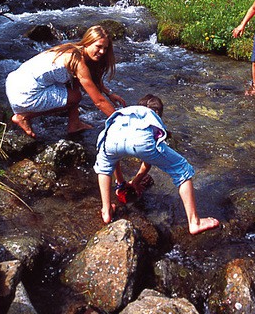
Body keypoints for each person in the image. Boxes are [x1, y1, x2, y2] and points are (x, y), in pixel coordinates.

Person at [94, 94, 220, 235]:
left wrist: (122, 183)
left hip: (112, 137)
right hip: (141, 141)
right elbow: (148, 160)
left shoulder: (129, 112)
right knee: (182, 168)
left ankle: (106, 211)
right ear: (158, 112)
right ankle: (194, 222)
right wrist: (136, 181)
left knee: (104, 167)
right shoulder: (151, 118)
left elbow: (113, 160)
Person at [5, 25, 126, 138]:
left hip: (14, 83)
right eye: (98, 47)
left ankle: (74, 125)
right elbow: (99, 102)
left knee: (73, 86)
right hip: (24, 94)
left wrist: (109, 93)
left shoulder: (70, 49)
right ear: (87, 42)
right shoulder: (78, 63)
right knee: (75, 96)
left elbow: (90, 81)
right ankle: (24, 117)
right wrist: (122, 123)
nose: (102, 52)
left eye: (105, 48)